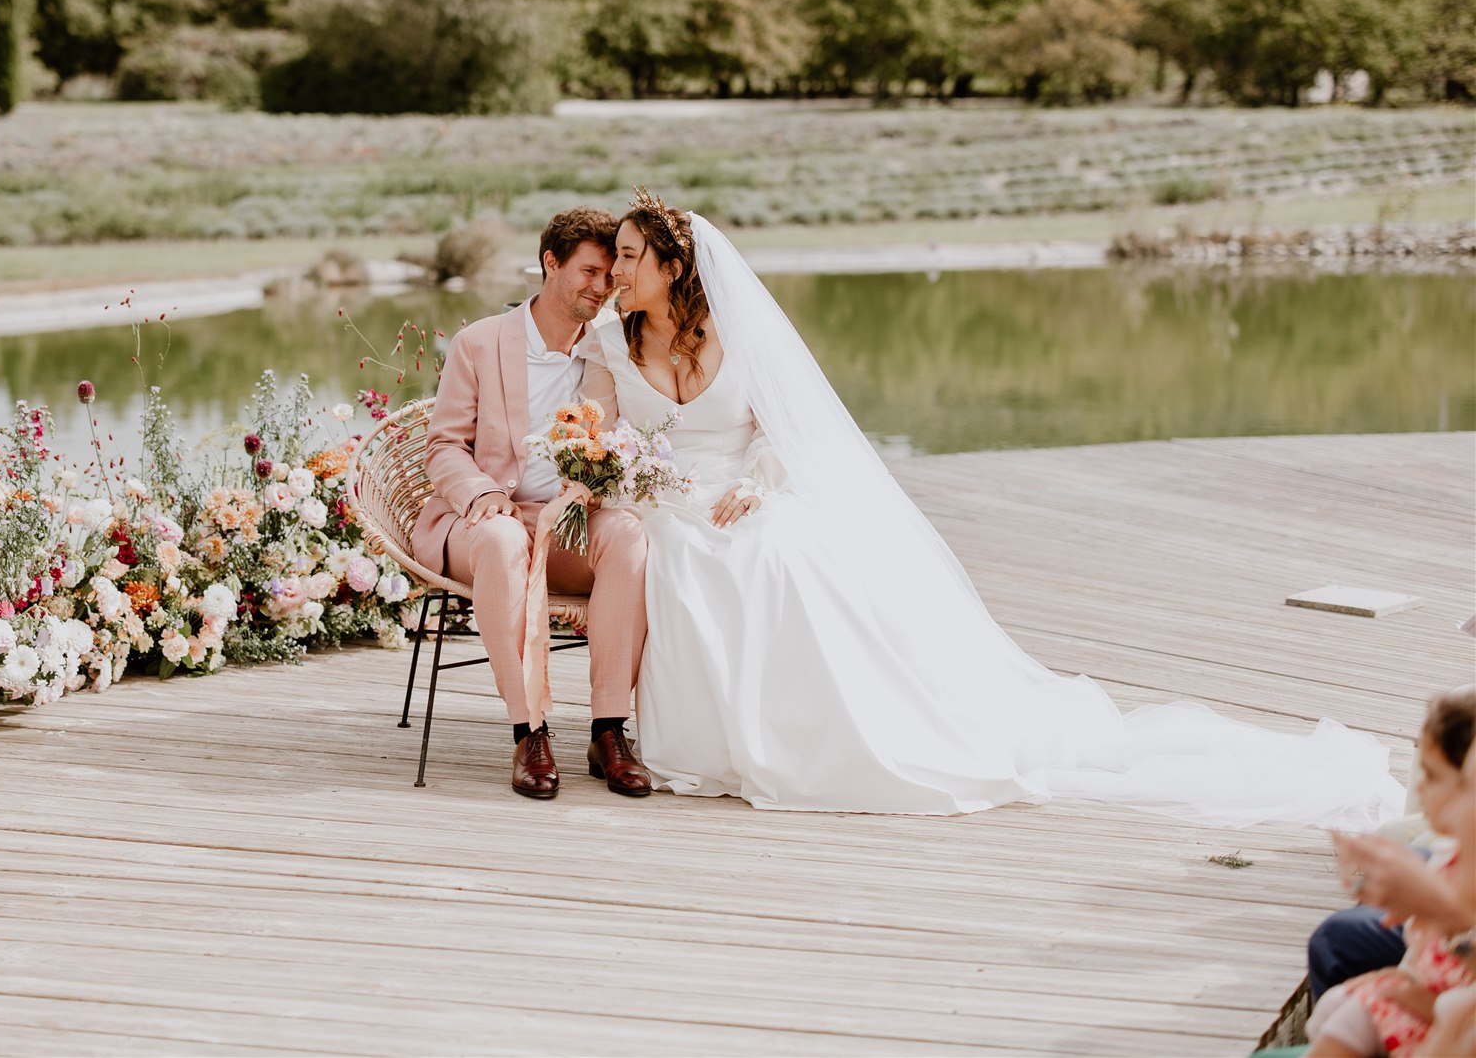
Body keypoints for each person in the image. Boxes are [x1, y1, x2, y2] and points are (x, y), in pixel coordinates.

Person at [574, 188, 1406, 825]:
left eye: (631, 257)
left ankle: (824, 727)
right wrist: (615, 472)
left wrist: (760, 482)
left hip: (743, 488)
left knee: (781, 547)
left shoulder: (738, 333)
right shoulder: (609, 342)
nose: (616, 273)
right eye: (615, 258)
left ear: (674, 268)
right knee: (682, 558)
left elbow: (782, 430)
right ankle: (713, 736)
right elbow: (599, 433)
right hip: (663, 501)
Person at [414, 207, 652, 800]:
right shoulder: (479, 342)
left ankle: (608, 730)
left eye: (609, 276)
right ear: (550, 262)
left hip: (568, 519)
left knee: (627, 535)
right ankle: (529, 732)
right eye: (589, 272)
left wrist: (591, 490)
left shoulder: (609, 348)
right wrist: (484, 492)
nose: (602, 287)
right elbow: (443, 446)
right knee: (502, 541)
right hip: (484, 521)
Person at [1305, 689, 1476, 1057]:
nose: (1420, 787)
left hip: (1440, 1016)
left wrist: (1439, 910)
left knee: (1339, 959)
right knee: (1340, 1004)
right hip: (1436, 1004)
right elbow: (1420, 956)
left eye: (1467, 788)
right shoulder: (1451, 860)